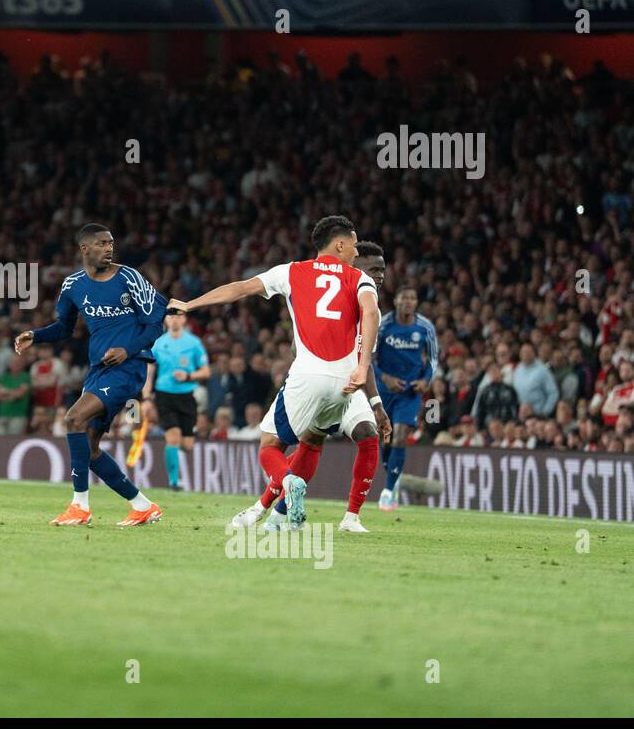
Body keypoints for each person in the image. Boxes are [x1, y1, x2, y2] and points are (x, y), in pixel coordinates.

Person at [170, 215, 381, 533]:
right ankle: (280, 516)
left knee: (269, 445)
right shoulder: (359, 279)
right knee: (312, 440)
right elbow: (371, 312)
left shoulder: (291, 271)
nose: (355, 250)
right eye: (353, 243)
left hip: (308, 373)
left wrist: (190, 304)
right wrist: (363, 367)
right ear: (339, 243)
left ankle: (289, 483)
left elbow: (240, 289)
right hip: (346, 383)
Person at [15, 223, 166, 527]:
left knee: (73, 419)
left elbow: (155, 323)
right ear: (85, 249)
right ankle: (142, 505)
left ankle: (79, 506)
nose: (109, 248)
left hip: (129, 367)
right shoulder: (72, 285)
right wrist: (37, 335)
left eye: (111, 242)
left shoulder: (129, 277)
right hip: (98, 369)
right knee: (90, 446)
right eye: (101, 243)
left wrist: (128, 349)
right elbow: (64, 327)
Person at [375, 285, 439, 511]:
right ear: (396, 301)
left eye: (413, 298)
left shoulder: (425, 327)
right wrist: (384, 377)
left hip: (410, 392)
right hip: (384, 391)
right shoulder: (382, 325)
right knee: (386, 438)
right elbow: (369, 358)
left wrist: (426, 380)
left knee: (400, 436)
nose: (409, 302)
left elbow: (432, 360)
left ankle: (389, 491)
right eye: (404, 297)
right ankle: (393, 476)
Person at [142, 312, 209, 488]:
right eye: (171, 316)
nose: (174, 319)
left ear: (184, 319)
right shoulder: (158, 343)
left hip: (187, 396)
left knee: (187, 445)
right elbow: (149, 373)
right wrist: (147, 398)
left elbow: (206, 371)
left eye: (178, 316)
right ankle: (173, 482)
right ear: (165, 319)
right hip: (164, 395)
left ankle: (174, 450)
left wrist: (188, 376)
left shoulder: (193, 343)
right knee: (173, 438)